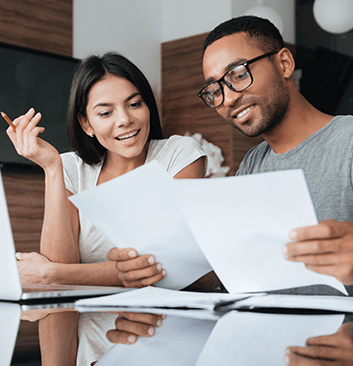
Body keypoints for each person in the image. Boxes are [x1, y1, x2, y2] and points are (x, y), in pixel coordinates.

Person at [195, 15, 353, 297]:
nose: (228, 99)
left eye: (239, 74)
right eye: (215, 90)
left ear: (284, 63)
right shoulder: (252, 165)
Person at [4, 52, 208, 289]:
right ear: (86, 123)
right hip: (84, 321)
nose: (124, 119)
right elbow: (60, 264)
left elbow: (164, 266)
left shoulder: (179, 155)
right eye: (105, 113)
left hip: (159, 320)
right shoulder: (71, 167)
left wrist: (51, 274)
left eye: (134, 104)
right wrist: (51, 169)